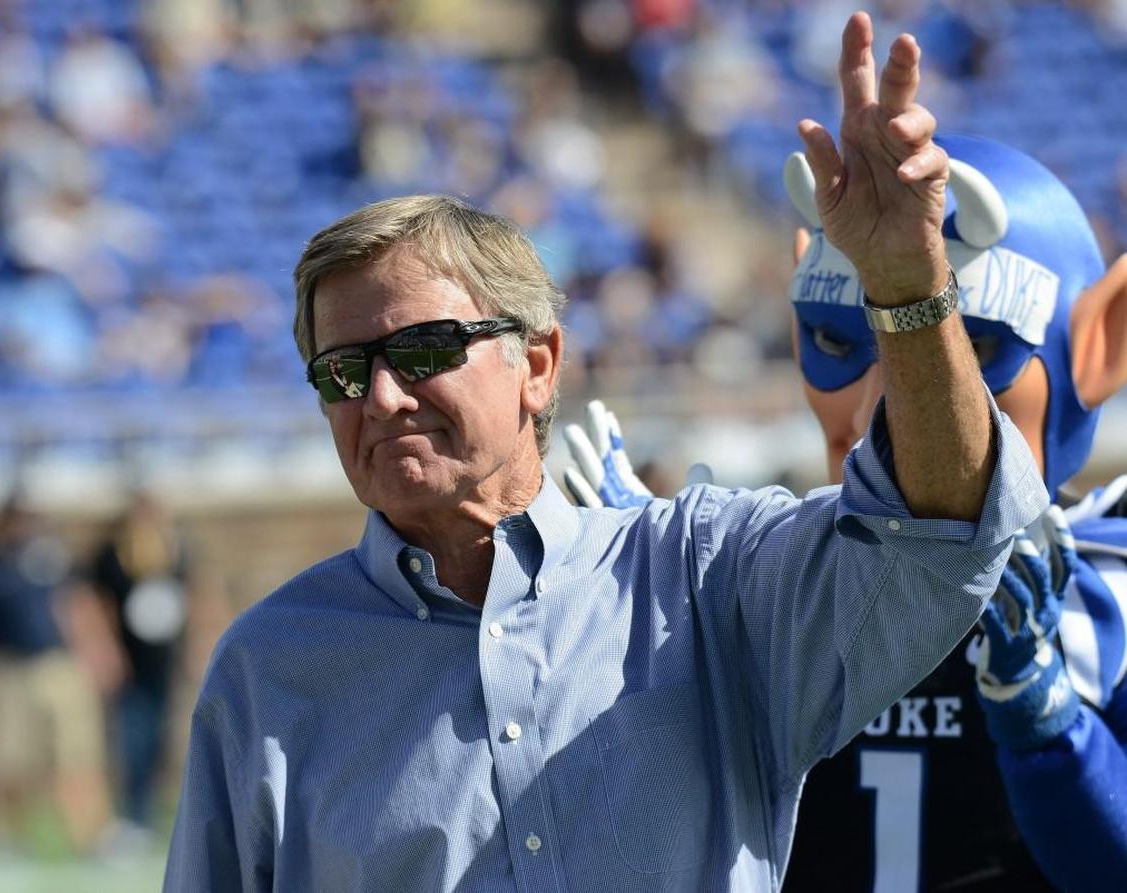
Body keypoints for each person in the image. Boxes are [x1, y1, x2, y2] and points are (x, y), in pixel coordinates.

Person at [164, 15, 1048, 890]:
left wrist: (906, 284)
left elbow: (940, 527)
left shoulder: (706, 576)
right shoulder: (268, 668)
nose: (385, 396)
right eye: (343, 371)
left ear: (537, 366)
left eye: (425, 350)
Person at [566, 132, 1127, 891]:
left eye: (967, 348)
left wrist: (1048, 719)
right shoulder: (763, 582)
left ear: (1103, 341)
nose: (879, 411)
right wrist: (633, 640)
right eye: (836, 337)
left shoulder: (1110, 596)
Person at [0, 497, 119, 855]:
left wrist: (100, 651)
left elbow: (77, 606)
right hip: (12, 670)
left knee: (78, 755)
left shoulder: (52, 562)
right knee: (14, 760)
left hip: (61, 666)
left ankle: (93, 835)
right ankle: (12, 838)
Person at [86, 491, 190, 837]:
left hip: (163, 662)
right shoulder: (112, 554)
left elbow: (196, 595)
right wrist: (105, 651)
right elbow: (98, 605)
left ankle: (153, 810)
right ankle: (133, 813)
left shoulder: (174, 549)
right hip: (129, 664)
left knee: (160, 737)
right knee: (132, 736)